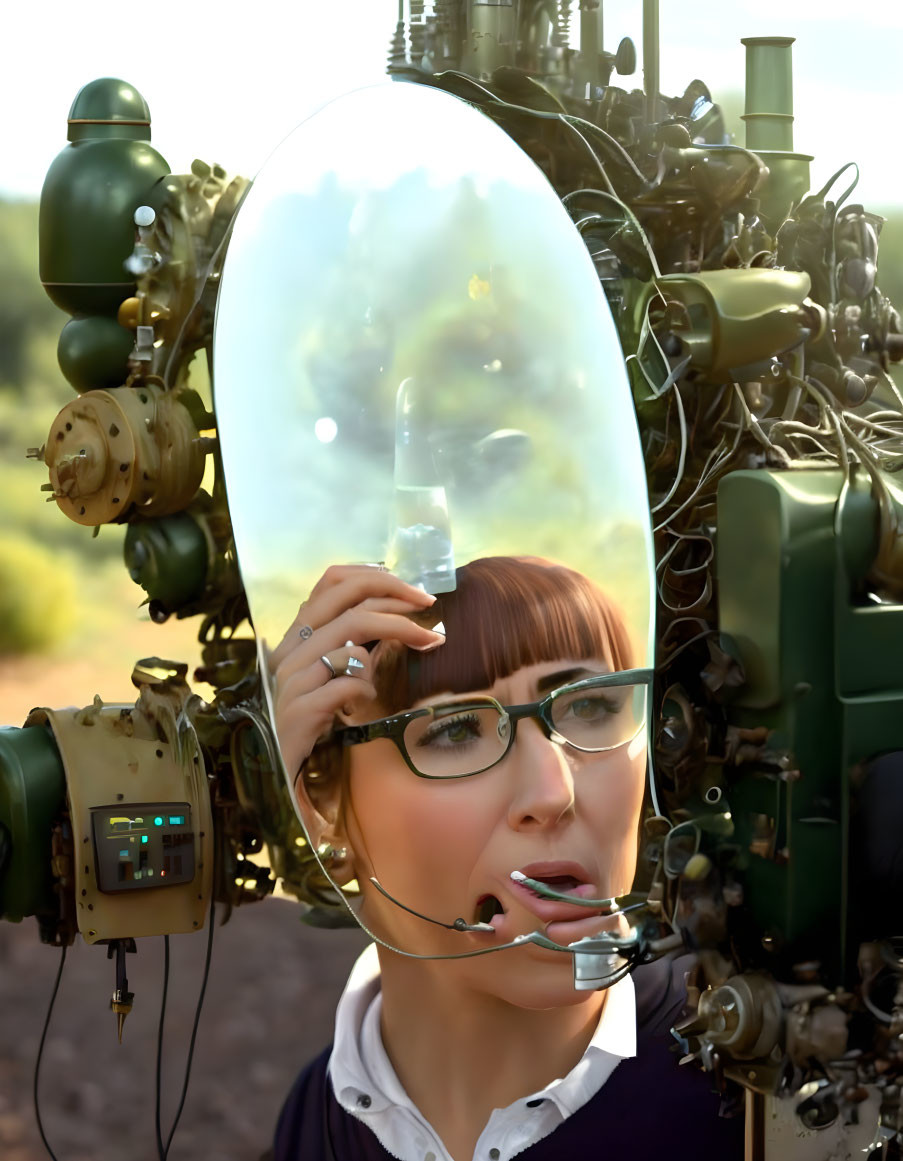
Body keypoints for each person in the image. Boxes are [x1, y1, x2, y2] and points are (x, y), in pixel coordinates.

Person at [266, 556, 744, 1161]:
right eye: (458, 730)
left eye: (590, 707)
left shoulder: (744, 1084)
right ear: (322, 804)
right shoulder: (317, 1119)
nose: (552, 793)